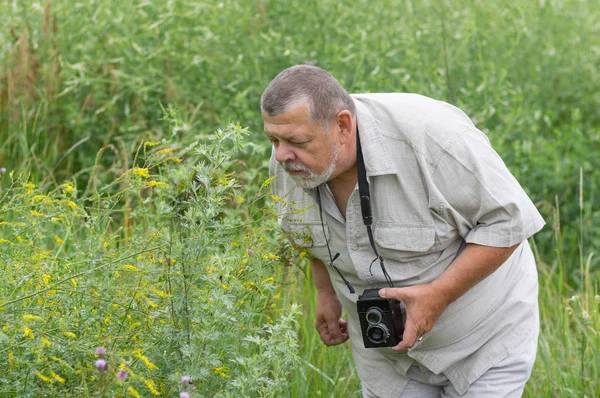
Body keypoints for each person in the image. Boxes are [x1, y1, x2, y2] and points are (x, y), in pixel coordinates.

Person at [261, 64, 545, 398]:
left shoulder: (434, 137)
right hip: (387, 359)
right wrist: (325, 292)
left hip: (481, 342)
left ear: (342, 125)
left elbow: (510, 220)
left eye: (295, 141)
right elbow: (307, 235)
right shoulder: (291, 158)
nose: (281, 155)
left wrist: (439, 295)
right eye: (273, 140)